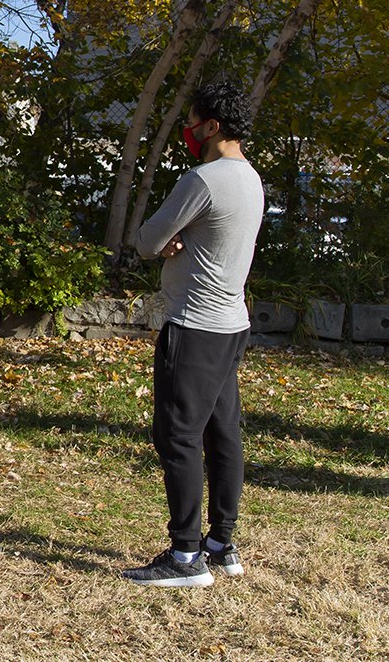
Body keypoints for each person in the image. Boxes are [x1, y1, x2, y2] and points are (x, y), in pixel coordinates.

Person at [122, 80, 264, 587]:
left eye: (193, 118)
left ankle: (185, 557)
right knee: (223, 435)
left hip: (196, 324)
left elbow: (145, 241)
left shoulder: (202, 180)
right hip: (232, 325)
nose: (189, 127)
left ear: (212, 126)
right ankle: (220, 544)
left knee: (178, 437)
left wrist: (165, 246)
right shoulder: (250, 179)